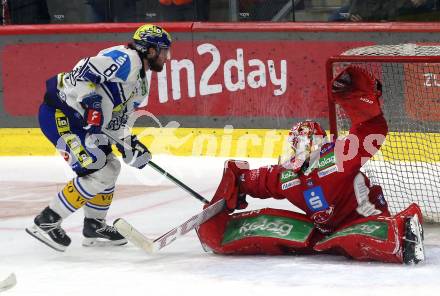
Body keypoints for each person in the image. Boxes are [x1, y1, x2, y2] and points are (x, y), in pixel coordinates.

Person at [198, 66, 425, 264]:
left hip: (365, 220)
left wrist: (358, 100)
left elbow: (370, 129)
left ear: (316, 146)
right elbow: (259, 180)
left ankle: (402, 232)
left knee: (356, 240)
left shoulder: (337, 156)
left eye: (301, 145)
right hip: (329, 233)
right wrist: (237, 183)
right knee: (292, 233)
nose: (295, 151)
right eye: (293, 145)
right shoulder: (287, 176)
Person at [26, 24, 172, 252]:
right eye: (163, 51)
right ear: (150, 50)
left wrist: (129, 145)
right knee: (97, 168)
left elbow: (115, 122)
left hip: (81, 123)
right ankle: (46, 220)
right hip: (61, 114)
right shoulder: (126, 59)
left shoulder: (141, 84)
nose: (166, 57)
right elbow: (82, 69)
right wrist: (89, 99)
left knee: (111, 167)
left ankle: (94, 225)